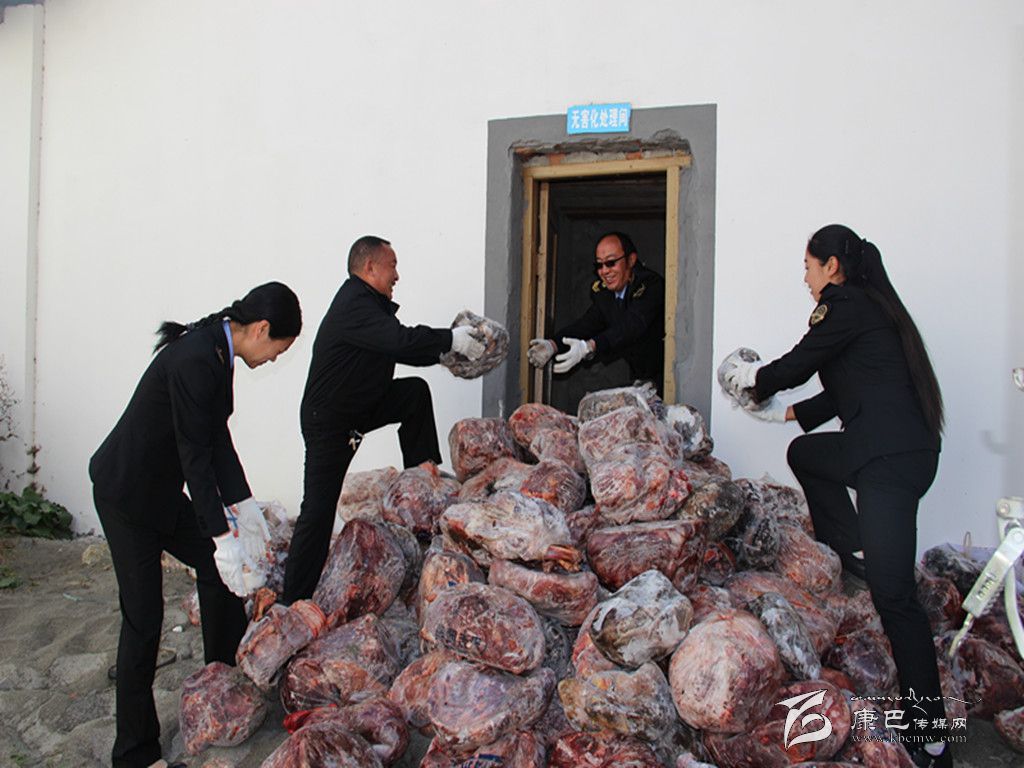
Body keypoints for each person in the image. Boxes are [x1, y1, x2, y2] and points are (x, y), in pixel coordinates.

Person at [724, 224, 951, 768]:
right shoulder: (872, 310)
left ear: (831, 266)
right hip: (887, 452)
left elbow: (800, 363)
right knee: (807, 455)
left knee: (895, 600)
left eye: (808, 266)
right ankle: (848, 549)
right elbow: (843, 388)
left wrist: (749, 378)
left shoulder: (843, 305)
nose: (805, 278)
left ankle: (932, 738)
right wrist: (782, 414)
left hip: (888, 463)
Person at [89, 282, 302, 768]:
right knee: (143, 621)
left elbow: (216, 437)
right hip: (126, 497)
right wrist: (223, 535)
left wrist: (243, 506)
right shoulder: (196, 358)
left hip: (159, 492)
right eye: (280, 348)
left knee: (216, 569)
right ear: (262, 329)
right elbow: (195, 457)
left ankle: (221, 679)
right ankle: (135, 754)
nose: (275, 358)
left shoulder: (217, 349)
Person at [282, 235, 483, 604]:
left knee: (413, 394)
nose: (397, 275)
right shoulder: (354, 304)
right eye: (392, 266)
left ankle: (422, 482)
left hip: (362, 406)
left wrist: (446, 352)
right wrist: (450, 340)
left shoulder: (369, 304)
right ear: (370, 267)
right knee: (318, 511)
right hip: (330, 421)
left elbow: (401, 347)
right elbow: (400, 341)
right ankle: (292, 601)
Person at [527, 231, 665, 392]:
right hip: (640, 375)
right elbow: (587, 325)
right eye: (599, 265)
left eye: (611, 263)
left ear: (631, 260)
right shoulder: (604, 294)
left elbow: (632, 324)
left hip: (665, 373)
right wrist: (553, 345)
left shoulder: (650, 284)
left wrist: (590, 346)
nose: (604, 271)